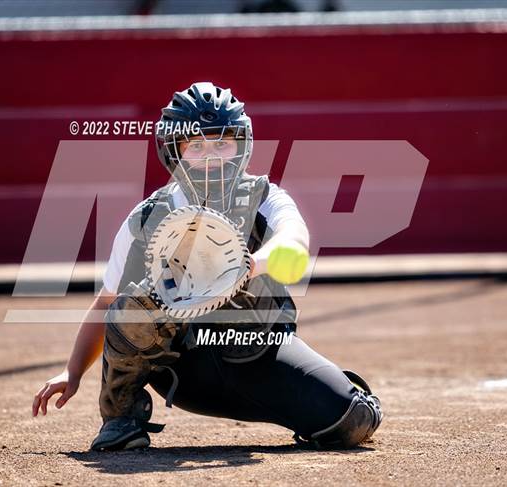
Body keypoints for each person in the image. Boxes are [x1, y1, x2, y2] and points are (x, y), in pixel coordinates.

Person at [32, 82, 382, 451]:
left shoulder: (266, 198)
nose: (211, 156)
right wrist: (73, 371)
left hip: (258, 352)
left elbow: (294, 242)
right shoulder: (148, 217)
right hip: (184, 370)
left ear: (242, 145)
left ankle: (306, 406)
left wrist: (248, 265)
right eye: (196, 146)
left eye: (222, 143)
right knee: (135, 305)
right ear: (173, 151)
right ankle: (121, 418)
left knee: (351, 419)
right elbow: (107, 303)